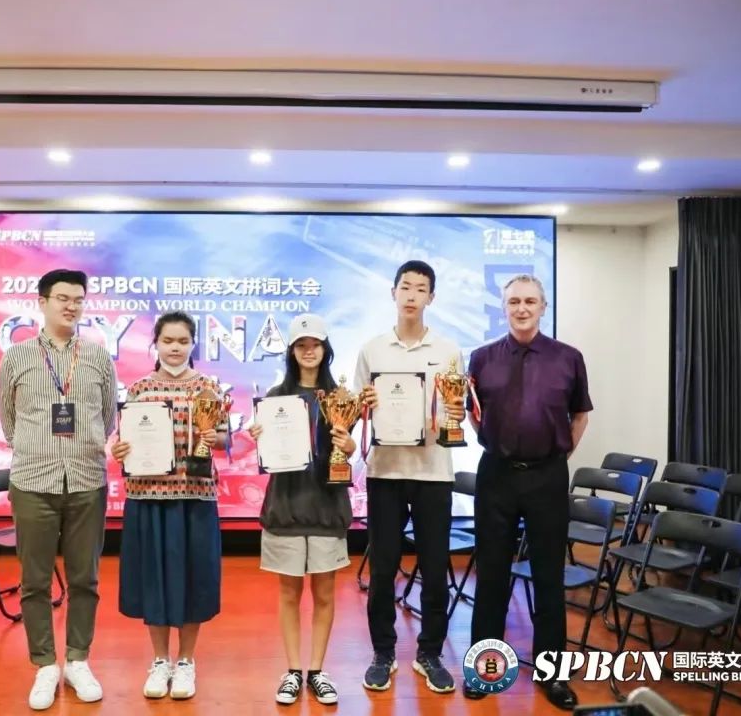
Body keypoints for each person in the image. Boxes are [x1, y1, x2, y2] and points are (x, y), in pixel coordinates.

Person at [464, 274, 592, 711]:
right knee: (491, 575)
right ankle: (485, 669)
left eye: (530, 301)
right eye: (514, 301)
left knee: (549, 577)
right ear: (503, 307)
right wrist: (498, 442)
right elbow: (474, 415)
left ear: (543, 307)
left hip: (547, 478)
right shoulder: (481, 359)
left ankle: (552, 675)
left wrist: (555, 455)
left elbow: (580, 415)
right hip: (496, 476)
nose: (522, 308)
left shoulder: (568, 358)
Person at [0, 268, 116, 711]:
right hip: (33, 481)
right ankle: (45, 664)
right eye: (63, 298)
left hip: (86, 480)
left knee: (85, 578)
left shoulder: (98, 357)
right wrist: (38, 449)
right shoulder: (17, 356)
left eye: (79, 299)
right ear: (42, 303)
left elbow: (108, 418)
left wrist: (80, 446)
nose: (72, 306)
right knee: (35, 581)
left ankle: (78, 660)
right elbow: (9, 421)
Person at [353, 260, 465, 694]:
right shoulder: (372, 349)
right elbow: (356, 409)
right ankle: (383, 653)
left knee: (435, 569)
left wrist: (455, 412)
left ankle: (429, 653)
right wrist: (363, 404)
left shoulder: (449, 350)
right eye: (405, 286)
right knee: (383, 569)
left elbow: (456, 410)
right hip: (385, 471)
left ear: (431, 297)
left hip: (433, 472)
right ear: (393, 293)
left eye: (421, 288)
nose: (412, 295)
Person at [112, 311, 226, 701]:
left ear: (193, 344)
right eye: (168, 341)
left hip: (195, 497)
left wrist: (213, 436)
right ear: (156, 344)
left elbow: (225, 439)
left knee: (194, 578)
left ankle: (187, 661)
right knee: (154, 579)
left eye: (182, 341)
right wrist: (120, 450)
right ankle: (160, 660)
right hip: (148, 497)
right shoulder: (139, 390)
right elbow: (123, 440)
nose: (175, 348)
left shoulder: (209, 389)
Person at [248, 314, 354, 706]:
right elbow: (269, 455)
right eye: (301, 345)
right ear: (292, 352)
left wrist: (349, 447)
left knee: (324, 594)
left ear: (326, 349)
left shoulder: (342, 397)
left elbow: (348, 451)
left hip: (327, 508)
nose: (309, 351)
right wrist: (260, 439)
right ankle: (293, 671)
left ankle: (317, 671)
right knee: (289, 593)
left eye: (316, 344)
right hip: (286, 507)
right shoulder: (275, 397)